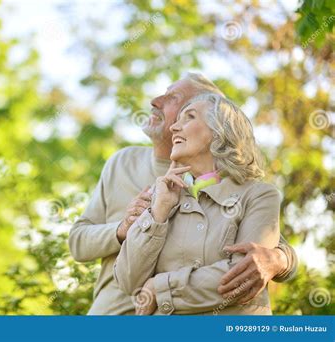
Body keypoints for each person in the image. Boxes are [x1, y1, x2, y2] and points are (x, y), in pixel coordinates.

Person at [69, 73, 297, 315]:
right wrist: (124, 228)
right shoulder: (125, 164)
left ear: (218, 126)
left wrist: (282, 259)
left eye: (174, 99)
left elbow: (261, 252)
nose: (155, 101)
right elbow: (80, 243)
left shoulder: (246, 192)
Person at [114, 92, 283, 315]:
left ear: (220, 132)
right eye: (177, 121)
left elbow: (242, 277)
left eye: (189, 117)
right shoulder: (161, 196)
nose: (174, 128)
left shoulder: (259, 195)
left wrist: (160, 288)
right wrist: (158, 214)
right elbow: (128, 281)